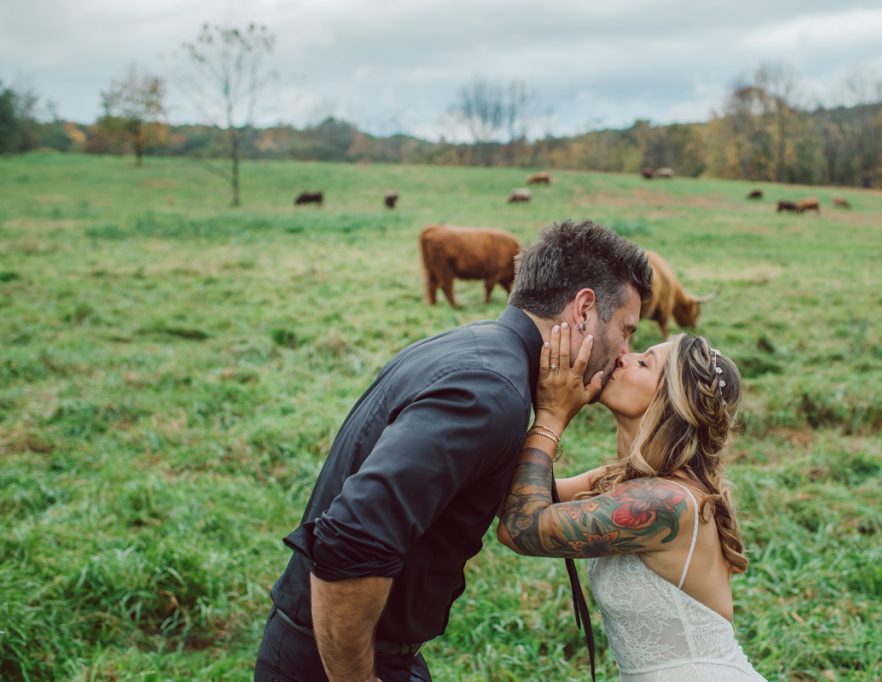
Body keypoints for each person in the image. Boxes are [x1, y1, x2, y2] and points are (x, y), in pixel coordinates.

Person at [254, 219, 652, 682]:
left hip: (356, 645)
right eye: (626, 330)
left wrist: (610, 464)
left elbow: (491, 491)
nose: (626, 351)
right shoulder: (488, 391)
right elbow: (350, 542)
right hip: (338, 658)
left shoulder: (474, 347)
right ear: (584, 309)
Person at [498, 330, 765, 681]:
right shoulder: (624, 481)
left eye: (644, 362)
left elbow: (522, 527)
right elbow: (518, 496)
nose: (624, 356)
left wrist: (551, 416)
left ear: (670, 402)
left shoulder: (666, 501)